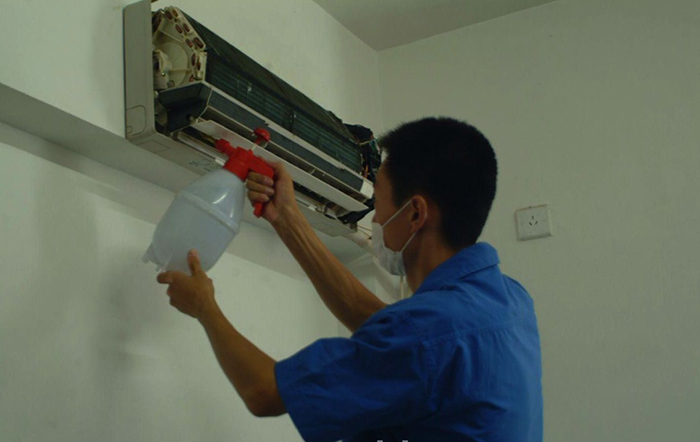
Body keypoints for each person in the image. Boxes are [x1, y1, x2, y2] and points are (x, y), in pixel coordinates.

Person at [157, 117, 543, 441]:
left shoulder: (428, 332)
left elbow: (264, 393)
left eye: (379, 204)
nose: (375, 219)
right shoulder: (509, 301)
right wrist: (287, 220)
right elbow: (388, 328)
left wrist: (204, 307)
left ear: (415, 214)